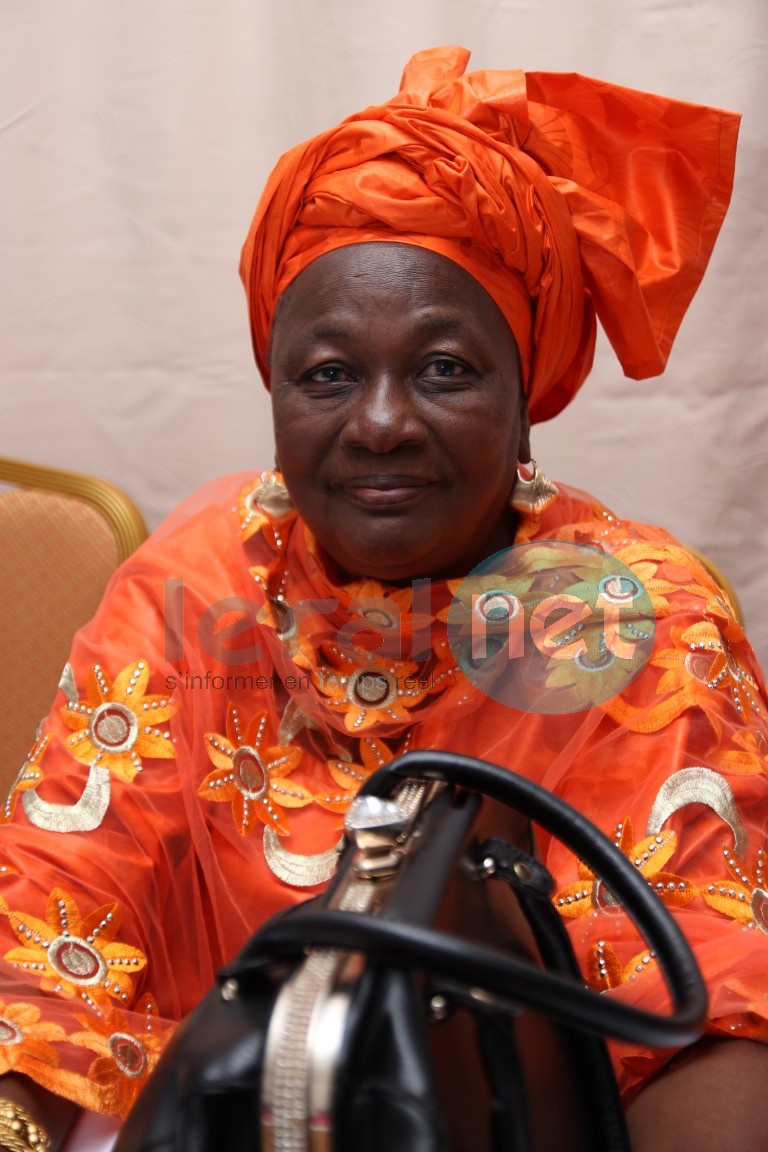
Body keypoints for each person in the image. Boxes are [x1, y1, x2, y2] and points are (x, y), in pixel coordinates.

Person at [1, 44, 767, 1152]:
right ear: (276, 391)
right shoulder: (199, 578)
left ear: (525, 400)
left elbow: (718, 998)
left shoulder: (627, 620)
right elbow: (53, 909)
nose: (379, 422)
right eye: (327, 375)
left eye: (445, 369)